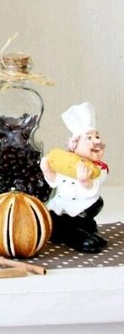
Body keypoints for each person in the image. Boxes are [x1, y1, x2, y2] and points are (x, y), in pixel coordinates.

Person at [40, 103, 108, 253]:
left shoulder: (98, 168)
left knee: (86, 220)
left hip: (82, 209)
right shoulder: (66, 164)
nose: (96, 141)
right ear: (74, 145)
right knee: (59, 223)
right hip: (61, 209)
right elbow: (55, 180)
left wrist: (86, 181)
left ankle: (88, 232)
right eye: (89, 138)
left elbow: (96, 184)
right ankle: (74, 236)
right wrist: (46, 169)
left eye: (97, 137)